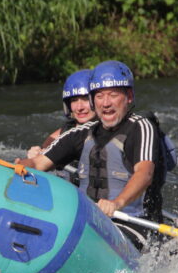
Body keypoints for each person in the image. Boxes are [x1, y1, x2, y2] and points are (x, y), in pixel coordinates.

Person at [15, 60, 168, 249]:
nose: (106, 103)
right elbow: (38, 164)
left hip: (133, 223)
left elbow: (144, 173)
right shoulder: (81, 132)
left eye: (113, 95)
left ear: (128, 96)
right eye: (99, 96)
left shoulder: (141, 127)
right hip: (88, 222)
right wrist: (20, 165)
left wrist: (116, 203)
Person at [26, 69, 95, 159]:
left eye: (86, 99)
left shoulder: (111, 131)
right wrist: (35, 155)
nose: (79, 107)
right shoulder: (61, 134)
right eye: (74, 100)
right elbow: (40, 159)